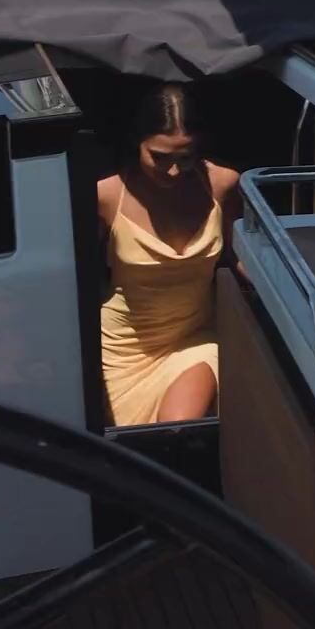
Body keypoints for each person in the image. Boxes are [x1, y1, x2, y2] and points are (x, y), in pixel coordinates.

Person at [96, 82, 240, 425]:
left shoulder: (222, 184)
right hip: (119, 349)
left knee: (176, 428)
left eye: (185, 157)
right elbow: (78, 274)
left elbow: (240, 257)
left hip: (194, 337)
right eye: (160, 158)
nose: (174, 170)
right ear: (137, 142)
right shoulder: (106, 196)